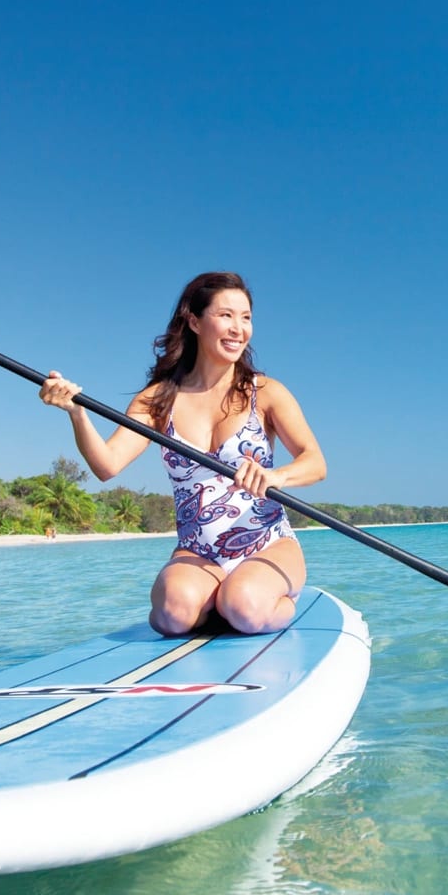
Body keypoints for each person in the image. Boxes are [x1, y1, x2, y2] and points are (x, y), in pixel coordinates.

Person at [38, 272, 326, 636]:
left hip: (266, 543)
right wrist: (76, 412)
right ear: (194, 321)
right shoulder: (158, 400)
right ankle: (215, 602)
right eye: (225, 315)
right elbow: (106, 465)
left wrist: (276, 476)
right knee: (171, 615)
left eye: (246, 317)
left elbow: (315, 462)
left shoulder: (265, 392)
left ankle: (256, 600)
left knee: (246, 606)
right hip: (198, 551)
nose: (238, 329)